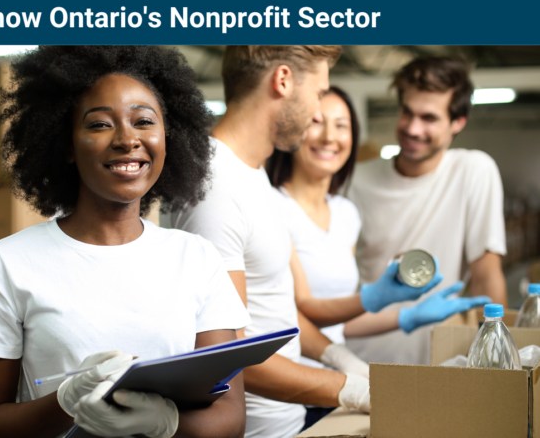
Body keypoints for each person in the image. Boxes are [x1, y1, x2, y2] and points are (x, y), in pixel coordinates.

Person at [0, 46, 251, 438]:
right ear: (65, 145)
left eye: (144, 120)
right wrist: (66, 402)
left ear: (168, 136)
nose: (128, 139)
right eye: (99, 124)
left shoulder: (196, 258)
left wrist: (167, 424)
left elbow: (231, 416)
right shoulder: (7, 264)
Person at [163, 46, 446, 438]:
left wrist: (337, 356)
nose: (318, 113)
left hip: (290, 422)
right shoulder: (216, 189)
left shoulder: (250, 174)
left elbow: (272, 304)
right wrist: (352, 390)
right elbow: (226, 353)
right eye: (318, 92)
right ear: (283, 81)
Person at [266, 86, 491, 372]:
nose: (329, 137)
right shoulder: (272, 206)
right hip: (291, 380)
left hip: (335, 381)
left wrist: (408, 317)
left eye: (341, 125)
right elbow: (302, 309)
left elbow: (340, 321)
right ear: (295, 128)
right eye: (316, 122)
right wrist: (373, 297)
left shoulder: (345, 213)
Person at [346, 56, 508, 365]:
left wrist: (497, 364)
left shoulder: (473, 170)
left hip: (439, 359)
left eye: (429, 118)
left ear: (457, 123)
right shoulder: (355, 180)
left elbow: (487, 276)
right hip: (360, 360)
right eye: (407, 112)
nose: (412, 128)